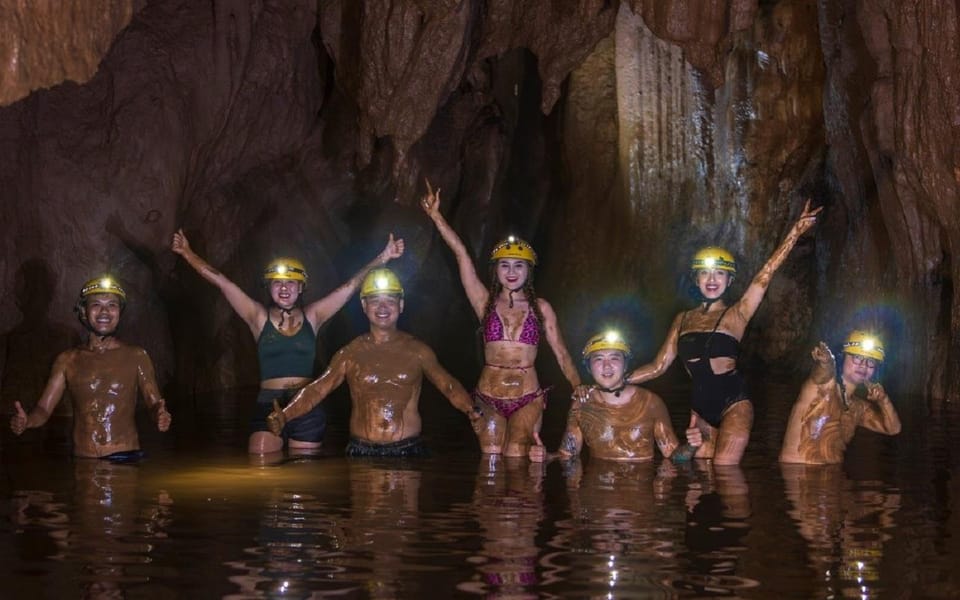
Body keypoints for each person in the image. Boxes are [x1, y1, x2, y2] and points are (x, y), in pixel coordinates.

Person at [171, 229, 403, 454]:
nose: (284, 288)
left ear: (301, 287)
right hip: (268, 401)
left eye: (291, 282)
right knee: (261, 463)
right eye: (277, 282)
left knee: (302, 475)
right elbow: (223, 282)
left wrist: (383, 258)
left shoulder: (314, 316)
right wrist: (187, 253)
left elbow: (350, 286)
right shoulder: (258, 318)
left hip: (306, 404)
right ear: (269, 287)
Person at [626, 201, 822, 464]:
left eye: (719, 273)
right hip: (700, 412)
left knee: (725, 472)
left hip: (735, 404)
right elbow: (658, 365)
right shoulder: (682, 319)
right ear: (696, 280)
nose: (712, 279)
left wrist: (795, 233)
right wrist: (618, 381)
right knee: (694, 476)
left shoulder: (737, 314)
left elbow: (764, 276)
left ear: (729, 281)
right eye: (705, 274)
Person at [420, 180, 581, 457]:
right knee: (491, 457)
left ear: (528, 272)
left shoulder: (541, 308)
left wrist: (579, 388)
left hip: (527, 397)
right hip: (488, 397)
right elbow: (462, 255)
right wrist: (437, 217)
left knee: (518, 452)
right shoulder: (484, 303)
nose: (511, 271)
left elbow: (562, 354)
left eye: (518, 265)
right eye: (504, 265)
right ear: (495, 271)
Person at [265, 268, 481, 457]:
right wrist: (286, 415)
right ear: (364, 306)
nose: (382, 307)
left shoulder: (419, 351)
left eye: (390, 300)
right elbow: (318, 389)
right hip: (361, 450)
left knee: (406, 506)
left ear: (401, 304)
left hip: (407, 449)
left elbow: (448, 385)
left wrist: (471, 410)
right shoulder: (350, 353)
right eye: (375, 300)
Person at [9, 276, 171, 459]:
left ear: (120, 312)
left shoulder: (137, 356)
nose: (105, 311)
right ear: (84, 312)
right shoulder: (67, 360)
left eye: (112, 305)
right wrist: (27, 421)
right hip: (84, 462)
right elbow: (44, 409)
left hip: (125, 458)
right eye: (96, 305)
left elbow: (154, 403)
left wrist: (159, 414)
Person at [530, 331, 689, 462]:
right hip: (596, 495)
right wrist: (547, 457)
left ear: (626, 364)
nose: (607, 366)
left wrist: (692, 446)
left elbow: (674, 456)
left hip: (638, 497)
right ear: (589, 368)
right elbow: (567, 455)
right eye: (598, 359)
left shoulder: (651, 403)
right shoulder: (581, 404)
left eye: (614, 358)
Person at [779, 331, 901, 464]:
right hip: (798, 474)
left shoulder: (859, 408)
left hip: (833, 477)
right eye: (857, 357)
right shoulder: (823, 387)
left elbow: (893, 429)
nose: (864, 365)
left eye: (871, 361)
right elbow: (823, 373)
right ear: (842, 358)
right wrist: (826, 362)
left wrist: (884, 400)